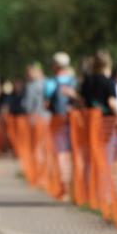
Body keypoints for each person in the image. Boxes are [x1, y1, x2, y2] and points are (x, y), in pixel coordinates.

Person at [45, 51, 78, 199]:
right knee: (75, 154)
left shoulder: (51, 83)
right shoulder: (75, 81)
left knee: (61, 154)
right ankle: (75, 187)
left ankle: (65, 187)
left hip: (57, 121)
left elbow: (46, 103)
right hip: (75, 122)